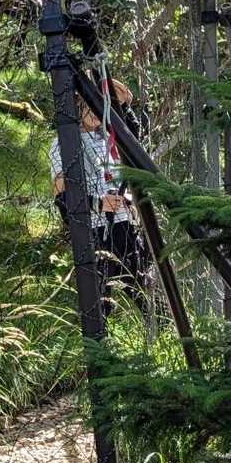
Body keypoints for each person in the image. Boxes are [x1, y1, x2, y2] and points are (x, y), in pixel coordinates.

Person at [49, 77, 140, 314]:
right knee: (99, 301)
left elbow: (128, 108)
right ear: (78, 103)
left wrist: (128, 198)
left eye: (101, 105)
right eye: (89, 104)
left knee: (142, 287)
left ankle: (162, 328)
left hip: (123, 223)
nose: (95, 112)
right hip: (92, 229)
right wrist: (98, 204)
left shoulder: (109, 137)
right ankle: (99, 337)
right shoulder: (63, 142)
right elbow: (61, 195)